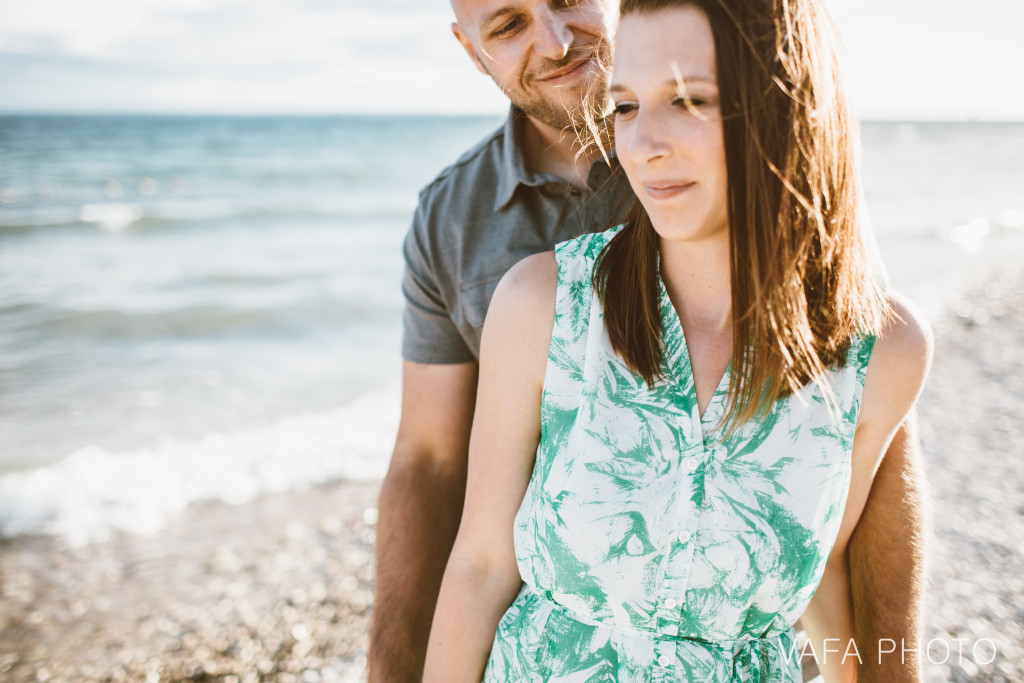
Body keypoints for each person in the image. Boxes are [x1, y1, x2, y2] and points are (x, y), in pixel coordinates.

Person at [370, 0, 930, 680]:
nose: (553, 41)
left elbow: (833, 540)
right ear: (472, 49)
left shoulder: (872, 336)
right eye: (625, 107)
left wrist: (893, 669)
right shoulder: (478, 244)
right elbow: (437, 481)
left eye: (687, 99)